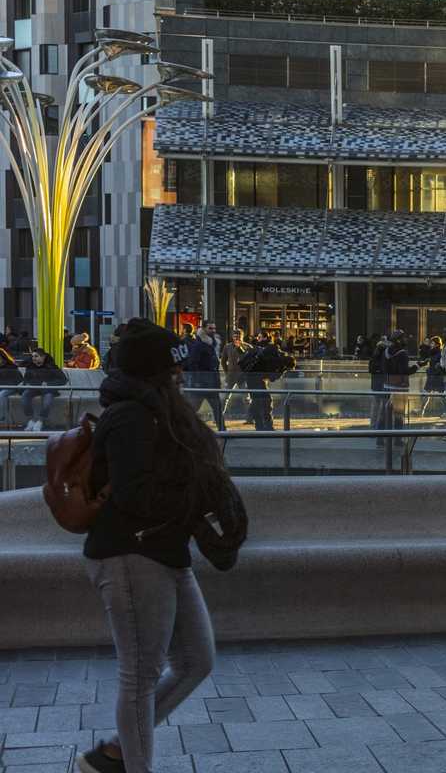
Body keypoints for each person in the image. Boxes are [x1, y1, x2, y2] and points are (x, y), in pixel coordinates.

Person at [76, 318, 241, 773]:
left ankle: (114, 754)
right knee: (140, 675)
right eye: (173, 368)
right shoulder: (130, 416)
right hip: (129, 555)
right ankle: (131, 765)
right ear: (153, 371)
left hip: (163, 549)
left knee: (196, 661)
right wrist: (193, 493)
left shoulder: (159, 411)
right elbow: (135, 494)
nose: (181, 375)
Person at [370, 330, 418, 446]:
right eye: (404, 338)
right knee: (398, 414)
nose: (406, 340)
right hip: (399, 388)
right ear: (399, 340)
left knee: (384, 413)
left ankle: (380, 439)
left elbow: (383, 368)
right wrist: (417, 366)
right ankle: (397, 439)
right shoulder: (402, 354)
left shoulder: (386, 351)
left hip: (387, 385)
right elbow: (404, 372)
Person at [240, 335, 293, 432]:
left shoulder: (275, 355)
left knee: (259, 401)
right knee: (264, 401)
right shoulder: (276, 362)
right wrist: (280, 372)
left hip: (253, 377)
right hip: (254, 378)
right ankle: (265, 426)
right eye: (288, 369)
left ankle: (260, 425)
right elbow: (272, 378)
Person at [182, 324, 225, 432]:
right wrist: (198, 379)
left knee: (217, 409)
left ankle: (223, 430)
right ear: (204, 329)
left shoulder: (214, 344)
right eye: (210, 328)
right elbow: (192, 363)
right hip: (202, 384)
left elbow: (214, 365)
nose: (213, 330)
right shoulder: (200, 344)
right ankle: (183, 428)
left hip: (210, 383)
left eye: (214, 328)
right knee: (193, 408)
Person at [20, 347, 67, 430]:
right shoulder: (30, 366)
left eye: (36, 356)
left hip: (48, 389)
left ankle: (40, 421)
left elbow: (63, 380)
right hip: (33, 388)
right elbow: (26, 378)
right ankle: (32, 421)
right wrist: (26, 383)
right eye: (33, 356)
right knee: (24, 397)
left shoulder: (52, 367)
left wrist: (48, 384)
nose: (33, 358)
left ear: (43, 357)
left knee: (47, 401)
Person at [220, 329, 251, 421]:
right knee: (225, 397)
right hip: (231, 375)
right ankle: (219, 417)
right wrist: (227, 372)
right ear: (232, 337)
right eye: (235, 336)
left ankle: (250, 417)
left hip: (242, 376)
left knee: (246, 398)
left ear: (242, 336)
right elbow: (223, 361)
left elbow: (248, 361)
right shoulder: (227, 347)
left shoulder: (247, 346)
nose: (237, 337)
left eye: (239, 336)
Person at [0, 339, 22, 426]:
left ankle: (2, 418)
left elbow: (19, 380)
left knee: (2, 395)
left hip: (11, 387)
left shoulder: (11, 367)